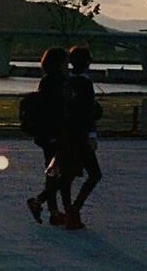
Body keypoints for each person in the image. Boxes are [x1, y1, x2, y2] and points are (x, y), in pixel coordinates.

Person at [25, 48, 68, 226]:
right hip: (55, 133)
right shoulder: (58, 82)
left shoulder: (46, 81)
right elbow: (59, 109)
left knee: (53, 172)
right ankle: (42, 203)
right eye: (66, 61)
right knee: (64, 172)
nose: (68, 64)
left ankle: (54, 211)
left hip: (46, 134)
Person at [63, 46, 102, 231]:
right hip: (81, 135)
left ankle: (68, 211)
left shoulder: (67, 81)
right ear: (87, 62)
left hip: (66, 133)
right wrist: (92, 135)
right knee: (94, 174)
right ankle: (74, 211)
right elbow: (88, 113)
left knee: (68, 175)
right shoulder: (85, 83)